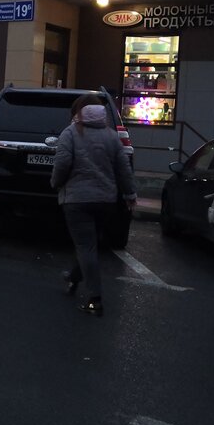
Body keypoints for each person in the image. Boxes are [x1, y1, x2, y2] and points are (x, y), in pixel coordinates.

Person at [51, 94, 138, 317]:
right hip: (105, 200)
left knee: (85, 246)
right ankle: (73, 277)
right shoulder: (112, 136)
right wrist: (129, 194)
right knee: (89, 243)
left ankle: (94, 299)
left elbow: (62, 164)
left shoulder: (70, 133)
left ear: (78, 112)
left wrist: (56, 183)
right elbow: (123, 169)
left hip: (77, 199)